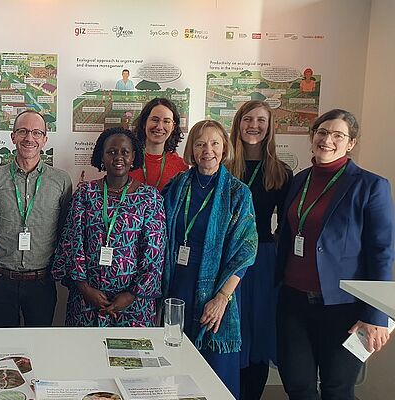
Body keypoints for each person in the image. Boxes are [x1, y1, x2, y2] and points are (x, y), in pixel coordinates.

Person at [275, 109, 394, 400]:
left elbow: (382, 252)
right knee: (297, 385)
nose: (328, 140)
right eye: (323, 132)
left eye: (338, 135)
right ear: (312, 136)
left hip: (344, 307)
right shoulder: (298, 181)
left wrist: (377, 315)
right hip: (293, 302)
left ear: (350, 143)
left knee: (337, 388)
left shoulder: (370, 186)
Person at [163, 120, 257, 398]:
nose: (208, 150)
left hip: (216, 291)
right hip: (176, 286)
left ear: (224, 147)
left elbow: (246, 251)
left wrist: (222, 298)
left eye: (215, 143)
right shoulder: (177, 185)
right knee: (175, 367)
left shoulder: (238, 193)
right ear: (191, 148)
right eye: (201, 143)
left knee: (214, 375)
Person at [52, 127, 165, 327]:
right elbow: (72, 242)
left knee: (131, 357)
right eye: (111, 152)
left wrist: (131, 294)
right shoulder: (86, 193)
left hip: (133, 306)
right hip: (87, 302)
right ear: (101, 157)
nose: (118, 157)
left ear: (133, 157)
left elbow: (154, 252)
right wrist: (85, 288)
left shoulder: (150, 197)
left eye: (125, 152)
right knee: (84, 355)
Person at [0, 109, 73, 327]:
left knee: (40, 347)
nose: (29, 138)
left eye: (36, 133)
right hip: (1, 281)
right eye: (22, 131)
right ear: (13, 136)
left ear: (45, 139)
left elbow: (63, 230)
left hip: (41, 283)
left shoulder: (61, 181)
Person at [226, 100, 292, 400]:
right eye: (248, 119)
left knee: (258, 334)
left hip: (262, 260)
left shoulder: (280, 172)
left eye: (261, 120)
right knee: (230, 328)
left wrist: (275, 249)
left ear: (270, 127)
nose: (254, 125)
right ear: (238, 124)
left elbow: (289, 223)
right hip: (227, 259)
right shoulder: (224, 168)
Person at [129, 98, 189, 191]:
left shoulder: (181, 166)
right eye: (155, 120)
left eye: (166, 121)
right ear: (144, 123)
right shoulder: (127, 160)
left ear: (173, 126)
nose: (159, 127)